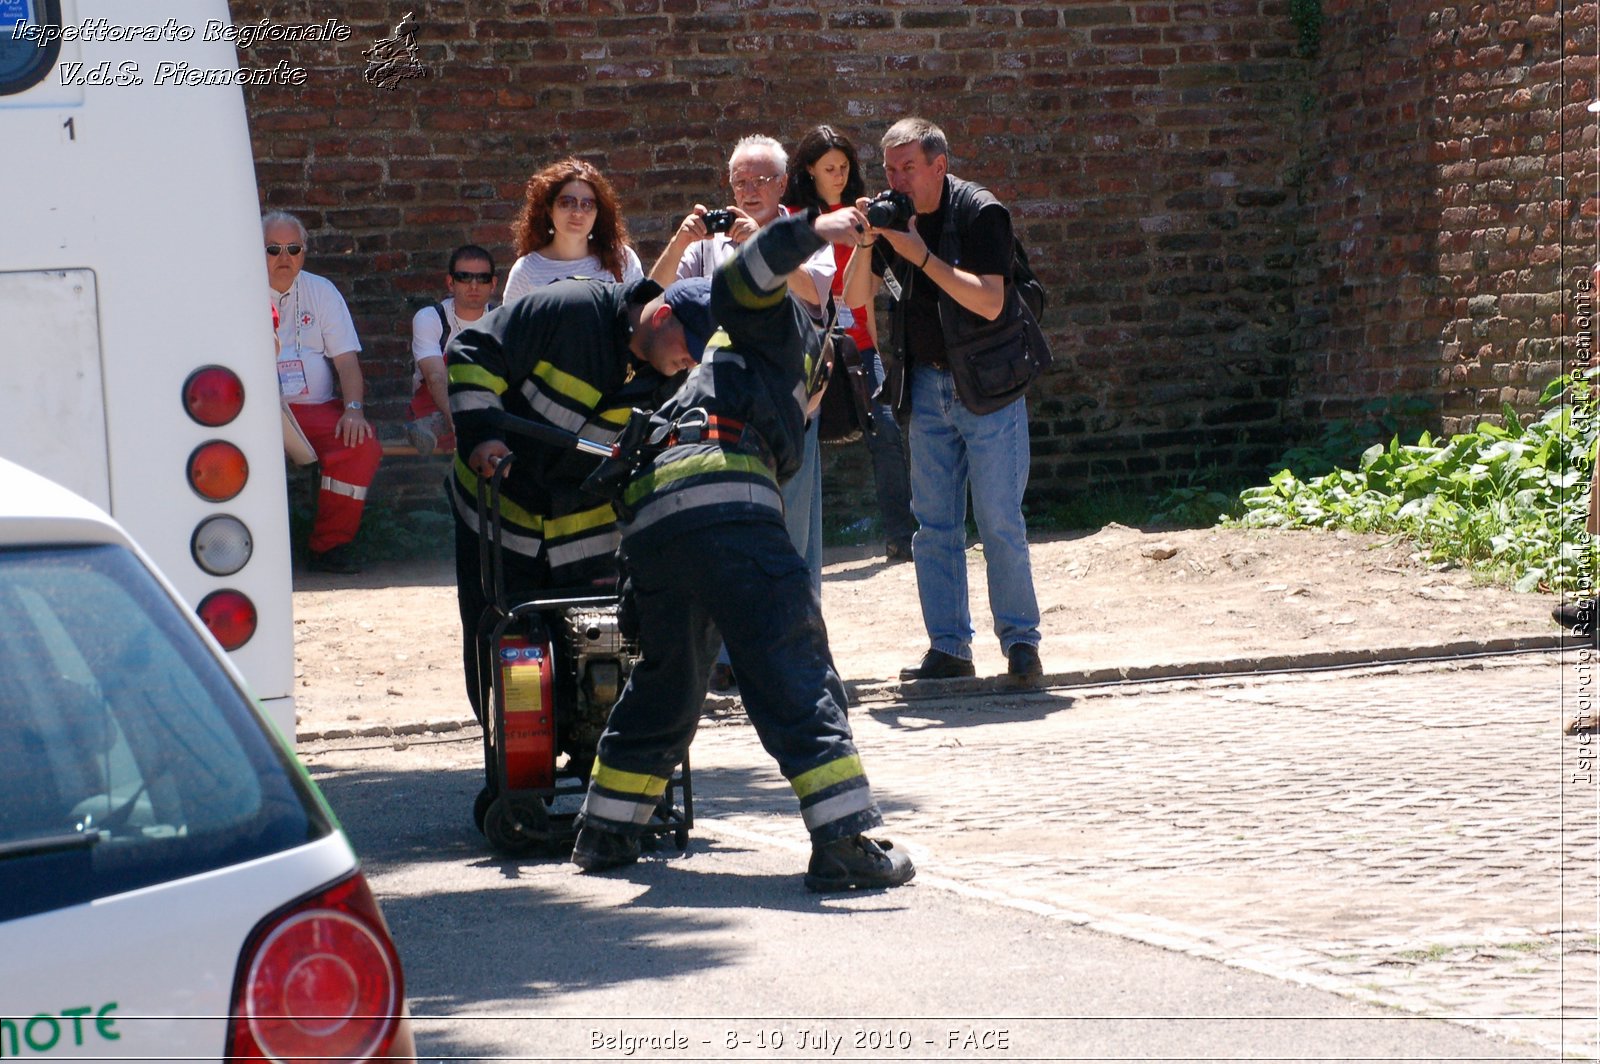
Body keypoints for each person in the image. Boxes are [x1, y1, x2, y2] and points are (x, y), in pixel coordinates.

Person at [572, 206, 916, 893]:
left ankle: (607, 830)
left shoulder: (706, 379)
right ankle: (845, 839)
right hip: (725, 507)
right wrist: (817, 229)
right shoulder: (777, 331)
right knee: (793, 665)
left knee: (669, 678)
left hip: (653, 525)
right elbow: (741, 278)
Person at [842, 117, 1043, 684]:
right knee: (932, 525)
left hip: (989, 385)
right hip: (926, 387)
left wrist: (922, 255)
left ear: (939, 166)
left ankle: (1021, 642)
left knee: (1000, 519)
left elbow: (989, 303)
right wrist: (867, 244)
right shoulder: (893, 217)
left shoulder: (981, 213)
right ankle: (950, 648)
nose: (898, 180)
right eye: (890, 169)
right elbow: (856, 298)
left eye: (909, 168)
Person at [445, 271, 683, 724]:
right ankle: (515, 778)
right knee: (502, 654)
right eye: (687, 348)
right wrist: (482, 436)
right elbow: (472, 351)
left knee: (600, 652)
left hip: (586, 531)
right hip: (500, 513)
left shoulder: (674, 372)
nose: (689, 363)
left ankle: (596, 753)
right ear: (662, 317)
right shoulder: (569, 309)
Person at [651, 134, 836, 693]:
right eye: (739, 181)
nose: (748, 190)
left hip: (788, 405)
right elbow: (651, 296)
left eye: (760, 180)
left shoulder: (804, 231)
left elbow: (819, 293)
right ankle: (730, 655)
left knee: (792, 532)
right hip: (718, 412)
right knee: (726, 529)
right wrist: (680, 240)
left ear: (783, 184)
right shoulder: (707, 245)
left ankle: (799, 646)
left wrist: (767, 246)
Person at [784, 124, 916, 564]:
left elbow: (868, 293)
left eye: (844, 167)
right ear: (809, 170)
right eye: (829, 169)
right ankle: (794, 545)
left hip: (858, 339)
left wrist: (874, 349)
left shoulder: (862, 214)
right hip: (810, 342)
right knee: (799, 442)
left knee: (886, 429)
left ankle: (902, 535)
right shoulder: (795, 219)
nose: (839, 176)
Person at [265, 210, 382, 575]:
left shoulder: (321, 291)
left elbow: (347, 362)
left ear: (305, 251)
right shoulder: (237, 289)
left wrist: (353, 409)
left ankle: (330, 546)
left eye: (293, 248)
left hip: (315, 409)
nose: (284, 257)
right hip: (257, 410)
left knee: (360, 444)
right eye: (273, 249)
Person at [502, 158, 644, 303]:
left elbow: (642, 315)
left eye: (587, 204)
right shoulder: (527, 270)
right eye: (566, 203)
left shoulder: (621, 259)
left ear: (598, 213)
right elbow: (510, 325)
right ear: (549, 210)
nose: (577, 212)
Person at [406, 245, 497, 456]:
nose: (474, 285)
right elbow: (435, 376)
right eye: (464, 277)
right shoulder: (431, 317)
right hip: (438, 403)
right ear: (451, 282)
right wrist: (457, 420)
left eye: (482, 278)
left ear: (493, 284)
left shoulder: (502, 319)